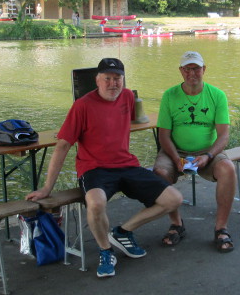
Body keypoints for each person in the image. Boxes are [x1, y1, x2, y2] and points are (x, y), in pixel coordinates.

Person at [26, 57, 182, 278]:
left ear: (123, 80)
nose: (113, 84)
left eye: (117, 78)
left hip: (127, 165)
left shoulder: (128, 96)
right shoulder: (81, 106)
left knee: (173, 199)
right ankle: (106, 250)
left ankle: (122, 232)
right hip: (95, 168)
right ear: (97, 80)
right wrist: (46, 189)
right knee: (96, 203)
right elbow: (62, 146)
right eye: (107, 78)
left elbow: (130, 121)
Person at [153, 51, 236, 253]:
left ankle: (221, 228)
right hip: (175, 149)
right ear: (181, 71)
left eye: (196, 68)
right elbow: (163, 135)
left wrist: (208, 155)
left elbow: (224, 135)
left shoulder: (217, 95)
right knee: (160, 173)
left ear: (204, 69)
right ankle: (176, 224)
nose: (192, 73)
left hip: (207, 150)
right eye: (188, 69)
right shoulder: (169, 95)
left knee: (228, 168)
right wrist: (176, 159)